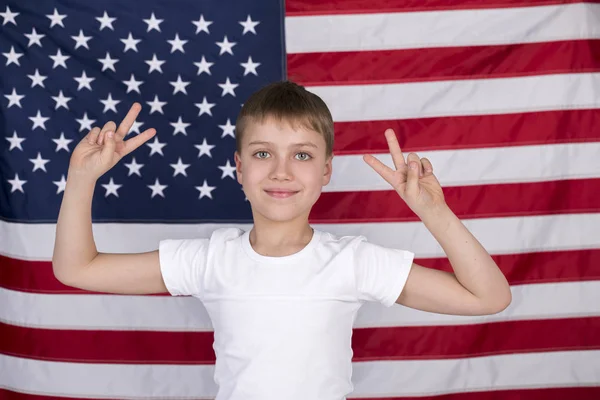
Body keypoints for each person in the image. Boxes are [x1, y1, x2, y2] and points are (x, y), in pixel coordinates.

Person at [52, 81, 511, 400]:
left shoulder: (353, 262)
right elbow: (76, 268)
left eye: (303, 155)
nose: (281, 171)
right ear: (239, 166)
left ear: (326, 170)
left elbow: (488, 297)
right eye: (263, 153)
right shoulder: (211, 259)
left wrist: (435, 211)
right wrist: (81, 178)